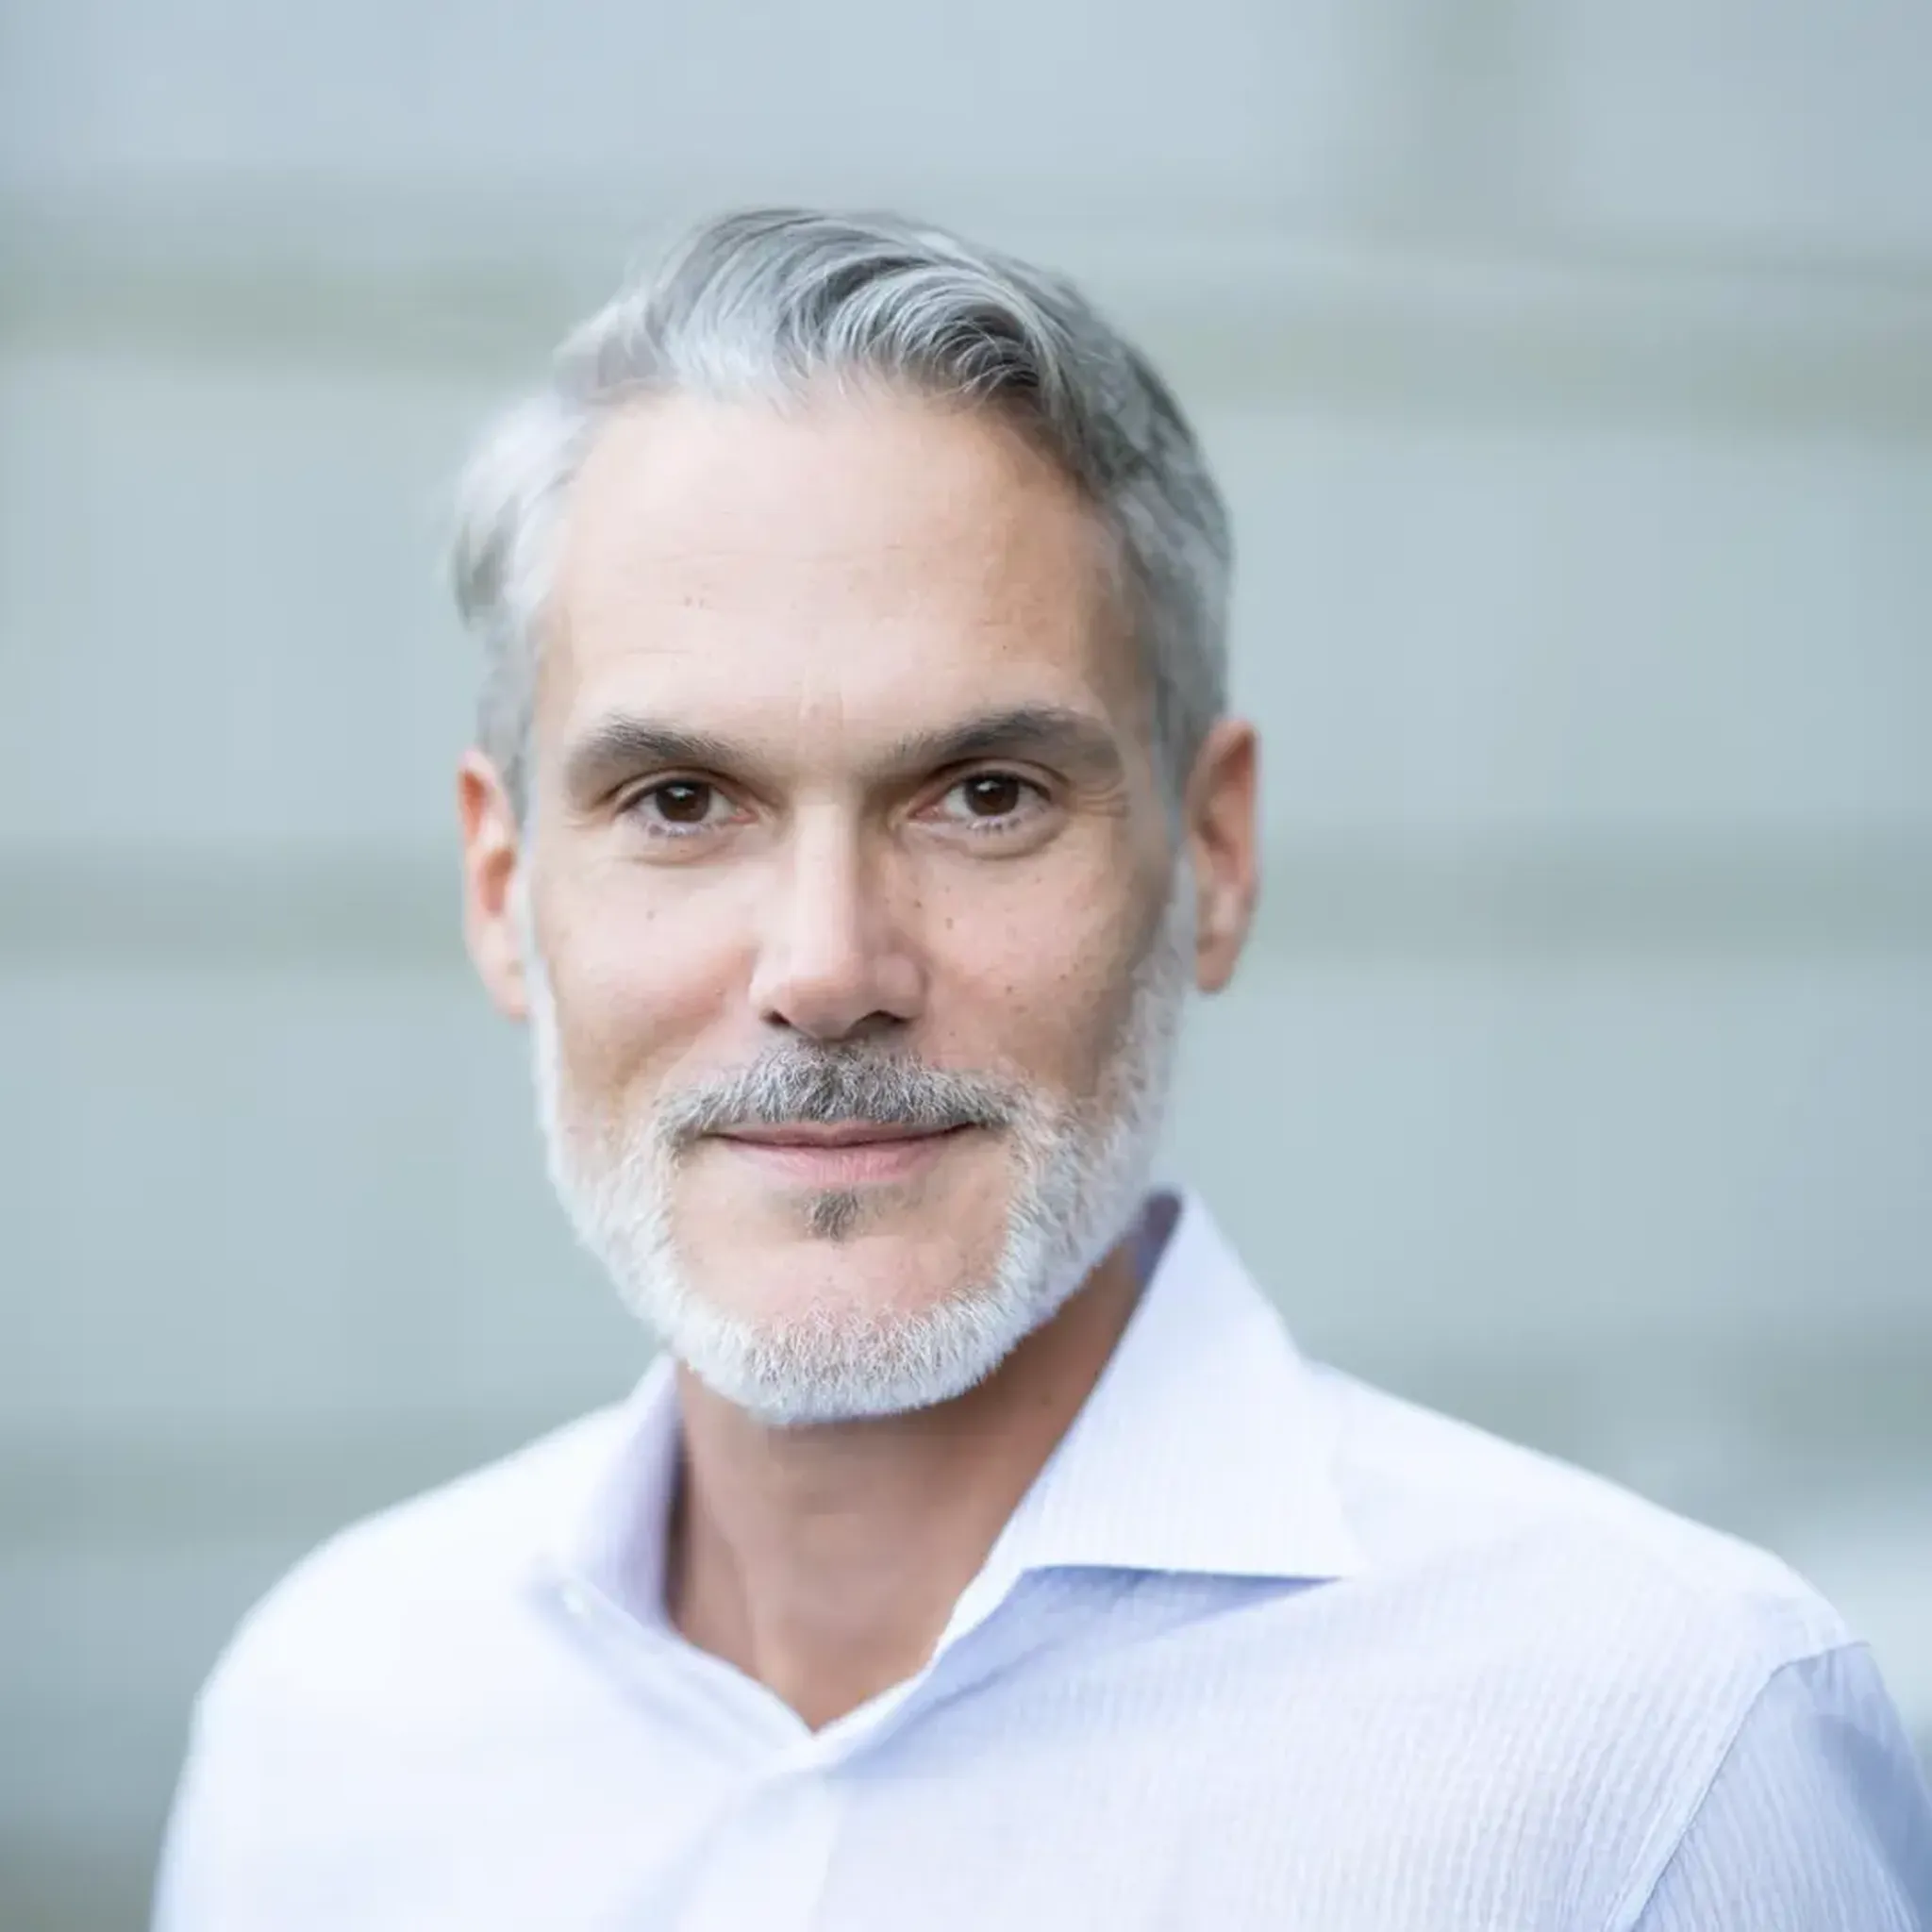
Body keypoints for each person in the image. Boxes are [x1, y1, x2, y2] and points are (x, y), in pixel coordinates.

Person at [153, 208, 1931, 1931]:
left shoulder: (1664, 1757)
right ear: (501, 891)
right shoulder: (330, 1728)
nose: (826, 970)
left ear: (1213, 854)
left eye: (985, 796)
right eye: (681, 801)